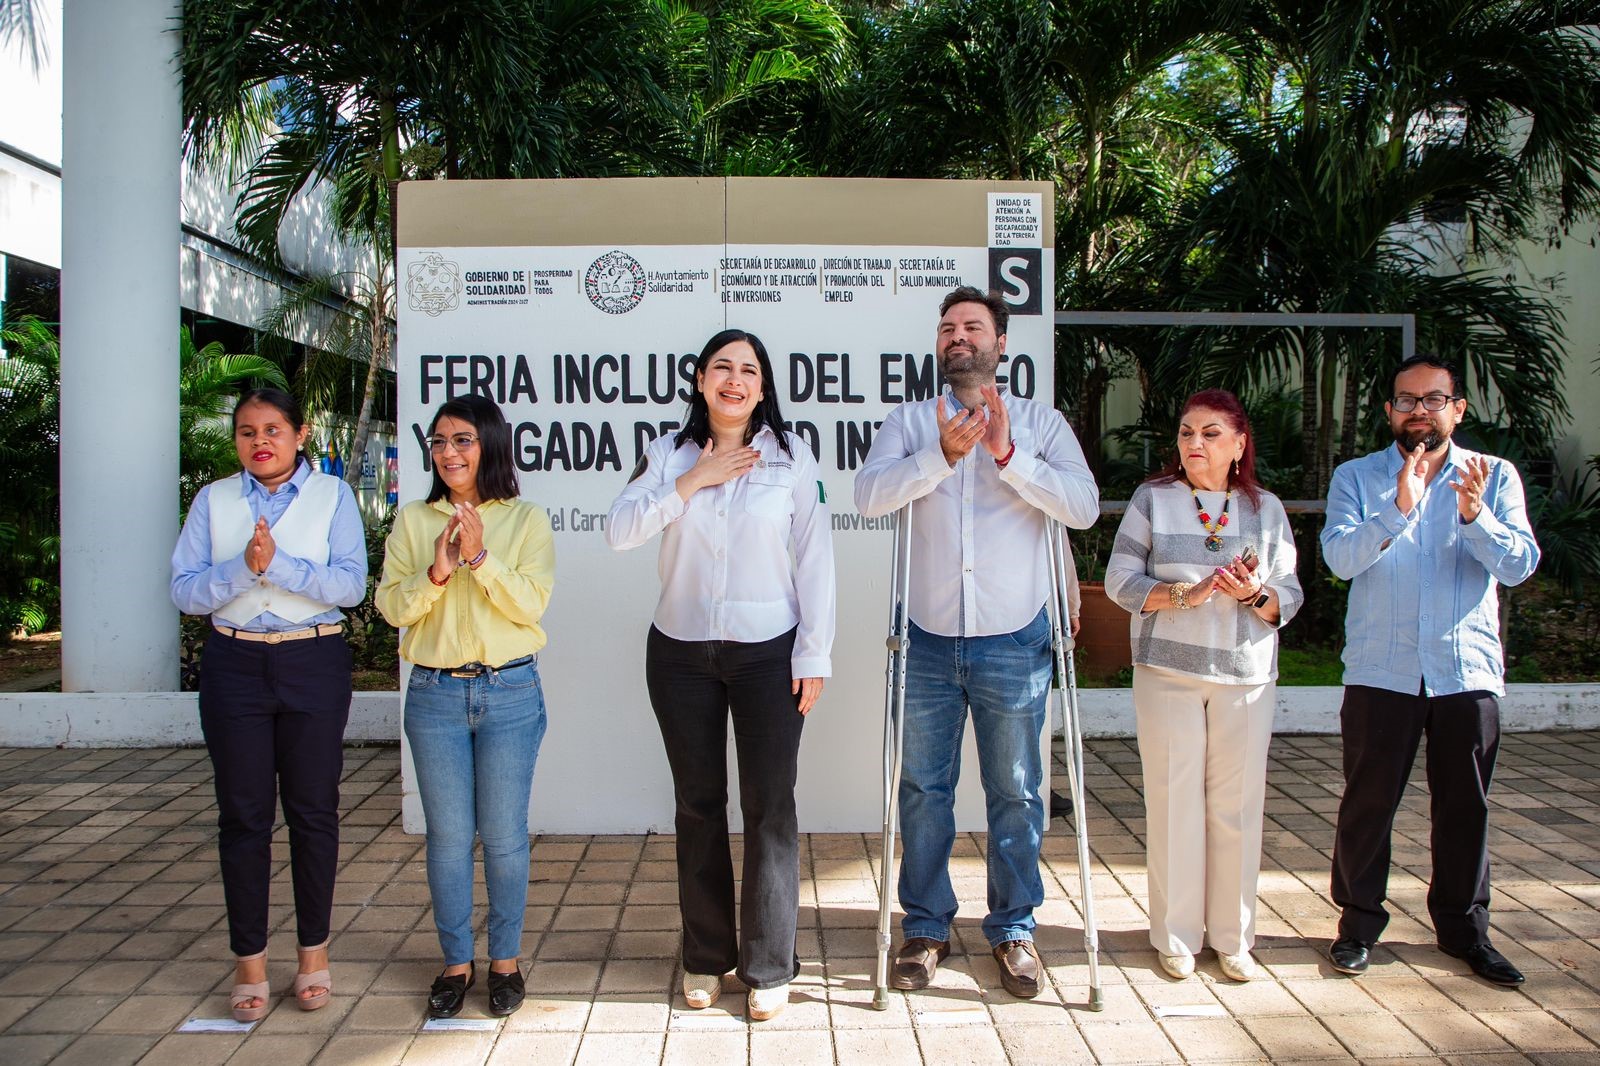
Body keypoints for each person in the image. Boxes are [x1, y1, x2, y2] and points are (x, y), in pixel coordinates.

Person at [854, 287, 1099, 999]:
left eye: (972, 327)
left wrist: (1007, 454)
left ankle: (1014, 928)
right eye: (947, 328)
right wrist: (937, 458)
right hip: (927, 638)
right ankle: (925, 926)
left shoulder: (1041, 424)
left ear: (1000, 344)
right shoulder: (908, 422)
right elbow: (870, 497)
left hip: (1015, 637)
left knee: (1018, 792)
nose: (958, 337)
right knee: (924, 791)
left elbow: (1080, 509)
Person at [606, 328, 835, 1022]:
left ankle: (770, 965)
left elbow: (815, 559)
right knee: (698, 806)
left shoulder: (791, 459)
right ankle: (705, 957)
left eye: (749, 370)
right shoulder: (667, 455)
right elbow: (620, 530)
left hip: (770, 652)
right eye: (722, 368)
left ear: (763, 388)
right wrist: (691, 482)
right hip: (679, 654)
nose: (735, 380)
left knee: (770, 807)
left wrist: (814, 655)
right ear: (701, 381)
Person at [1321, 355, 1539, 987]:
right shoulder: (1357, 478)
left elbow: (1520, 564)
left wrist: (1476, 518)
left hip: (1464, 670)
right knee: (1367, 805)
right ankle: (1358, 926)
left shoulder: (1492, 476)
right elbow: (1339, 558)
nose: (1420, 411)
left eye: (1433, 399)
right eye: (1407, 400)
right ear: (1390, 411)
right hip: (1380, 670)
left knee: (1465, 807)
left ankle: (1465, 932)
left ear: (1457, 409)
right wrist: (1398, 508)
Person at [170, 387, 367, 1022]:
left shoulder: (332, 497)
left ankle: (314, 956)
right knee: (244, 816)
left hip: (313, 659)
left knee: (314, 812)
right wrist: (241, 569)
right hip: (235, 664)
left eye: (273, 429)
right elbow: (184, 589)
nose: (260, 440)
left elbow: (349, 584)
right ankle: (249, 963)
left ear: (300, 434)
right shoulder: (214, 500)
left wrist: (278, 567)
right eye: (247, 431)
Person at [1103, 389, 1303, 982]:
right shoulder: (1154, 499)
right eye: (1187, 432)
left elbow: (1287, 595)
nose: (1195, 444)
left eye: (1211, 433)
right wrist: (1188, 594)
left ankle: (1233, 938)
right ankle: (1175, 936)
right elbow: (1120, 581)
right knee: (1173, 805)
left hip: (1244, 676)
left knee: (1236, 810)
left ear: (1239, 444)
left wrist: (1252, 596)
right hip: (1167, 673)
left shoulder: (1266, 508)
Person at [374, 394, 555, 1018]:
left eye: (463, 440)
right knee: (449, 839)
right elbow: (393, 610)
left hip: (509, 692)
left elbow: (529, 605)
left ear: (490, 445)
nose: (449, 452)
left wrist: (480, 557)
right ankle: (455, 963)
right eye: (440, 441)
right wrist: (440, 570)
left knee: (504, 838)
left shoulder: (526, 518)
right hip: (435, 695)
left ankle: (505, 962)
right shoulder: (413, 521)